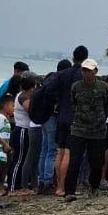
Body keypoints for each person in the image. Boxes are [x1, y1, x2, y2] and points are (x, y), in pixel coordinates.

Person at [61, 59, 108, 201]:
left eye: (89, 70)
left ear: (95, 71)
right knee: (74, 161)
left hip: (98, 131)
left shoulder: (103, 87)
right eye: (84, 70)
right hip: (78, 130)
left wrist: (100, 120)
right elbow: (73, 104)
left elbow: (106, 106)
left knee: (96, 163)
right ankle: (69, 191)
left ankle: (94, 186)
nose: (86, 73)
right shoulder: (76, 87)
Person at [49, 46, 88, 197]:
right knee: (68, 153)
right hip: (75, 118)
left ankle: (58, 187)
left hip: (61, 116)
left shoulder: (62, 74)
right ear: (86, 59)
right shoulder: (82, 75)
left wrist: (58, 102)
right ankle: (63, 187)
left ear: (73, 57)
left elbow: (50, 90)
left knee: (59, 152)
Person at [38, 59, 72, 194]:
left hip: (44, 117)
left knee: (44, 149)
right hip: (53, 117)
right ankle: (48, 182)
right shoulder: (60, 80)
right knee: (52, 150)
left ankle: (41, 180)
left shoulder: (49, 78)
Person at [9, 74, 36, 195]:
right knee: (19, 159)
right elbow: (31, 111)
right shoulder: (23, 97)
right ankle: (13, 187)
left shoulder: (22, 95)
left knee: (24, 158)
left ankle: (20, 185)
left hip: (25, 129)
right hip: (22, 129)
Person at [19, 75, 42, 193]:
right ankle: (24, 185)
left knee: (35, 158)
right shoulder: (24, 97)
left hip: (34, 126)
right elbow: (31, 110)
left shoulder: (28, 95)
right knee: (30, 156)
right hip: (34, 127)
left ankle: (34, 184)